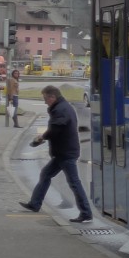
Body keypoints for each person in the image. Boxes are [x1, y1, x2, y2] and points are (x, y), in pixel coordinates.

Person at [19, 85, 92, 222]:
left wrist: (42, 137)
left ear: (52, 97)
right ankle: (35, 204)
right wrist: (44, 137)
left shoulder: (61, 110)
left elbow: (55, 129)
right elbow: (56, 129)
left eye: (45, 98)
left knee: (74, 182)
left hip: (66, 152)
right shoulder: (63, 107)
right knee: (46, 174)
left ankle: (86, 212)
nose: (45, 101)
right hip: (62, 152)